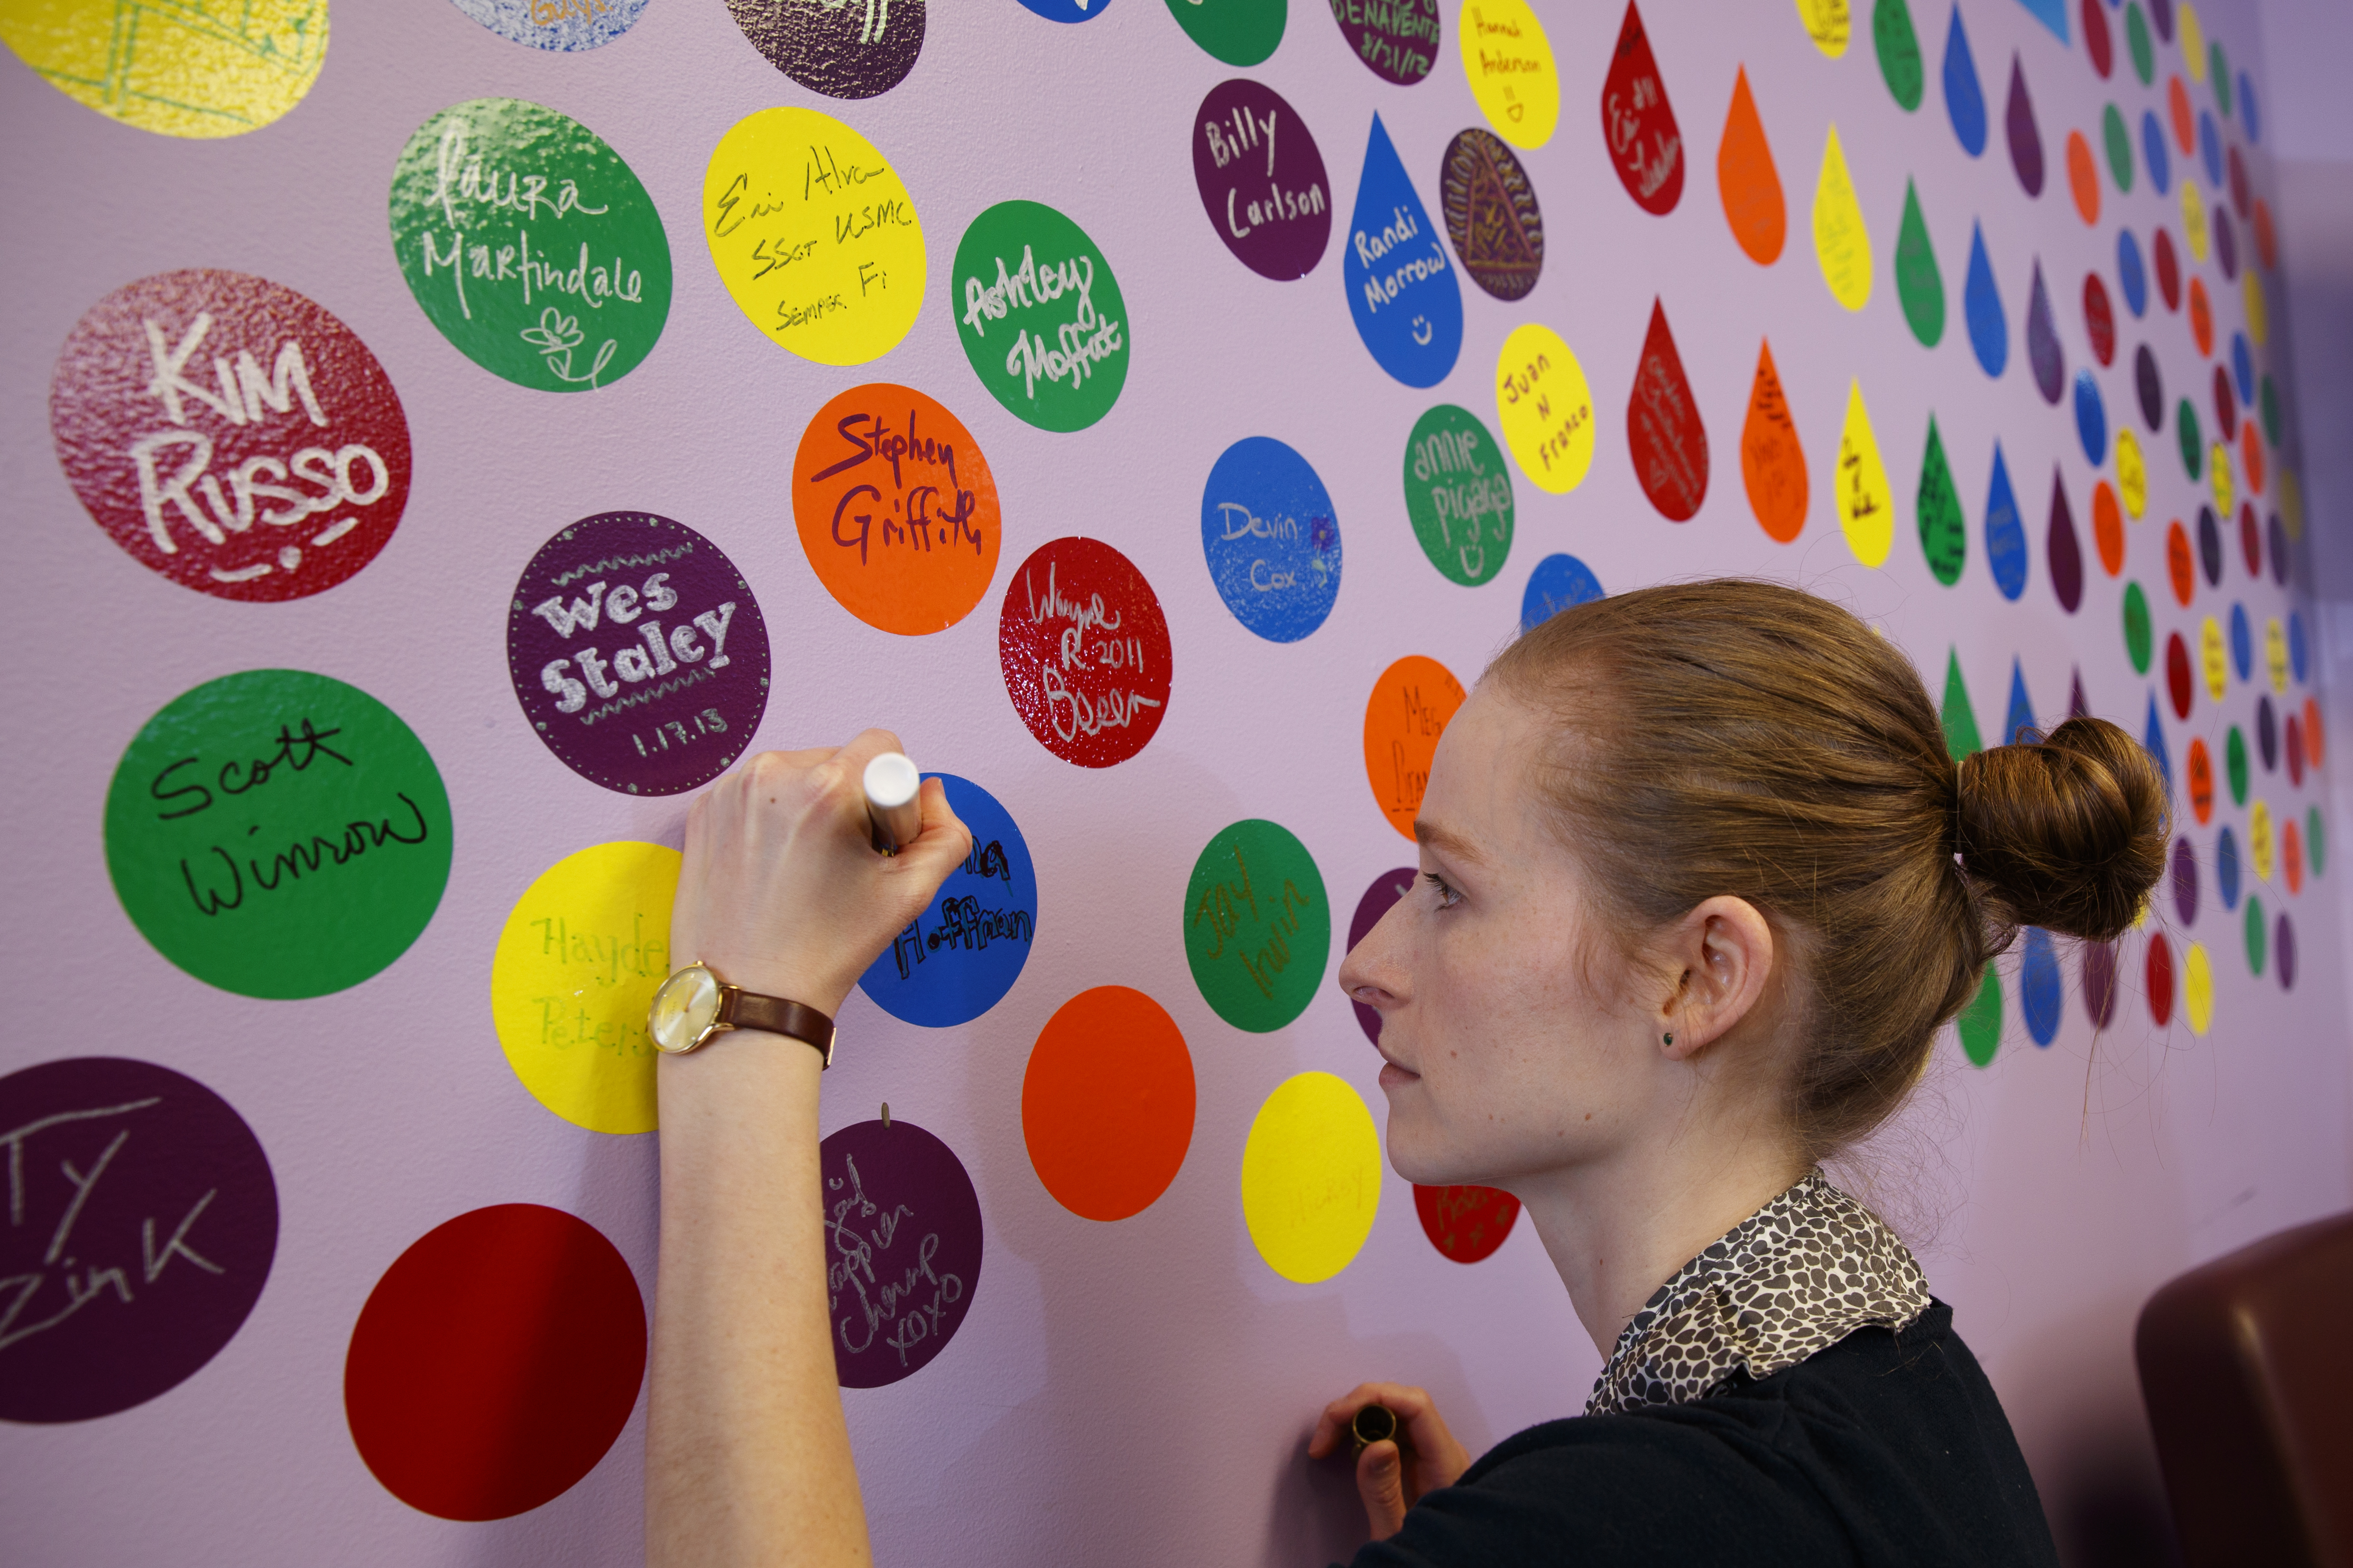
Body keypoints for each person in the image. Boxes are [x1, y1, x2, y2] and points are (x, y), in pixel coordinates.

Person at [643, 580, 2169, 1567]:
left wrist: (743, 1020)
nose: (1368, 965)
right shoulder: (1896, 1374)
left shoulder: (1649, 1525)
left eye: (1448, 889)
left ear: (1702, 977)